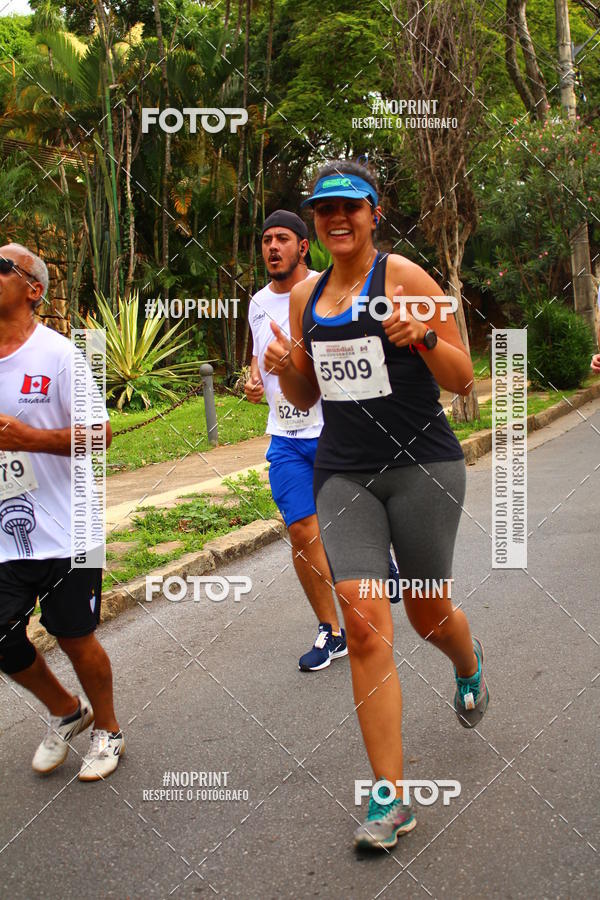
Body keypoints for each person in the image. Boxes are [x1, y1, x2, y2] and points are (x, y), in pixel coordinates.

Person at [264, 162, 489, 849]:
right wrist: (288, 369)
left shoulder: (405, 277)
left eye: (349, 207)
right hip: (345, 473)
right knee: (364, 625)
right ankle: (390, 797)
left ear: (373, 212)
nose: (336, 219)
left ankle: (467, 663)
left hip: (423, 464)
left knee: (425, 612)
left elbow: (462, 376)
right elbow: (308, 399)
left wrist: (420, 337)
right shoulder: (306, 297)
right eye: (323, 209)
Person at [0, 242, 123, 781]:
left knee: (74, 635)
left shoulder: (61, 354)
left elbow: (101, 436)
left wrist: (30, 438)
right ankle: (66, 711)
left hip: (70, 525)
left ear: (33, 288)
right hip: (6, 531)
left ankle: (109, 730)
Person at [245, 211, 348, 671]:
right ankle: (332, 630)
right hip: (285, 437)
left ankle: (380, 553)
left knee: (346, 526)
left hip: (336, 429)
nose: (272, 247)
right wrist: (252, 382)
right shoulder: (256, 303)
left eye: (282, 239)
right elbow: (257, 364)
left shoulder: (331, 291)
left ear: (303, 246)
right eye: (266, 240)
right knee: (302, 532)